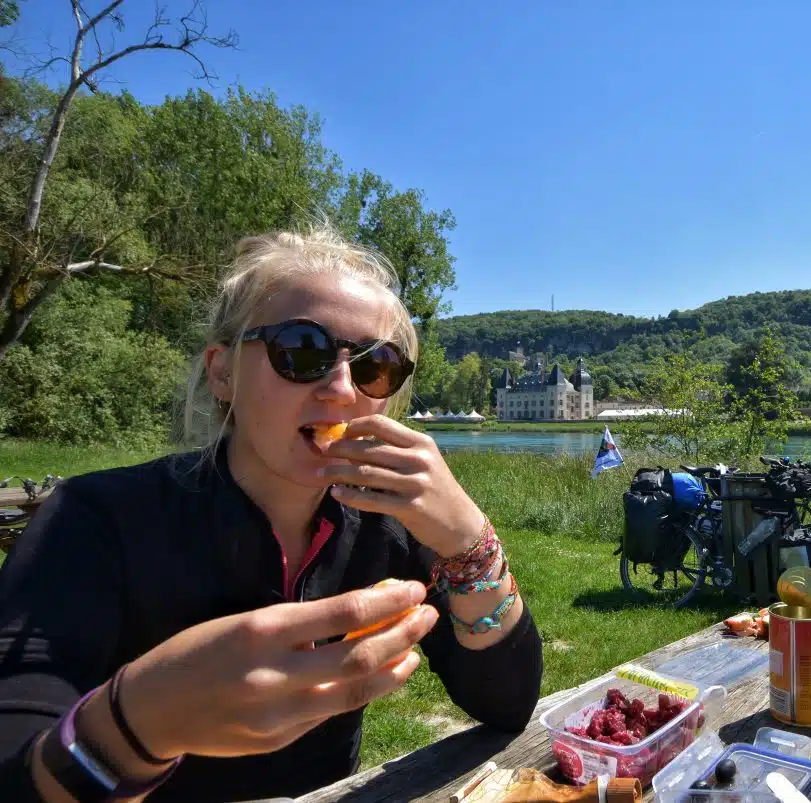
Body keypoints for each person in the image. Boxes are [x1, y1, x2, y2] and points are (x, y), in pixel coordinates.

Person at [0, 224, 543, 802]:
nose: (340, 389)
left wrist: (470, 544)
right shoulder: (94, 520)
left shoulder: (390, 529)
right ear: (222, 372)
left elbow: (505, 704)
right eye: (302, 349)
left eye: (374, 365)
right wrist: (134, 726)